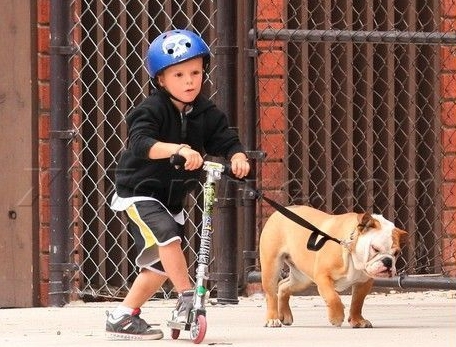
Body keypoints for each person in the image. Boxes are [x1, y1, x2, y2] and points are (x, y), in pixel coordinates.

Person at [105, 29, 250, 340]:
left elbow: (225, 139)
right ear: (161, 80)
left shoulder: (205, 112)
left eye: (195, 72)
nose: (189, 81)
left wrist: (237, 156)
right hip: (139, 192)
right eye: (179, 74)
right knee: (169, 238)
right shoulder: (152, 109)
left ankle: (122, 316)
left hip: (171, 198)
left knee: (159, 266)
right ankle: (187, 297)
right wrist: (178, 149)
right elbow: (141, 142)